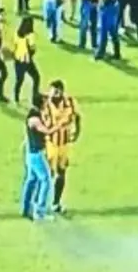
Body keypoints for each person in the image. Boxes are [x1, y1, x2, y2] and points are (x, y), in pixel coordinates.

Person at [42, 79, 81, 214]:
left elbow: (77, 117)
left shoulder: (69, 102)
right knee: (46, 174)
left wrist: (77, 132)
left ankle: (56, 202)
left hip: (64, 143)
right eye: (54, 90)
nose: (56, 93)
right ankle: (40, 202)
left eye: (58, 91)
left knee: (61, 172)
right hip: (49, 142)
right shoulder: (44, 103)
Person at [21, 93, 54, 221]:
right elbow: (47, 131)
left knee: (31, 180)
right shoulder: (34, 118)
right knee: (45, 180)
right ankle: (39, 211)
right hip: (35, 155)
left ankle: (25, 209)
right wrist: (61, 124)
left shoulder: (35, 115)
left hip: (31, 153)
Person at [13, 16, 41, 103]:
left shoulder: (17, 33)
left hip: (18, 59)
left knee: (19, 80)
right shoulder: (30, 35)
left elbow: (15, 45)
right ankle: (35, 96)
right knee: (36, 77)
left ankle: (16, 97)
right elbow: (32, 48)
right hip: (27, 60)